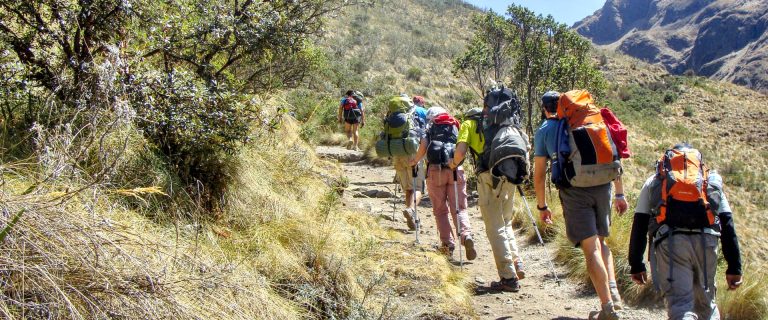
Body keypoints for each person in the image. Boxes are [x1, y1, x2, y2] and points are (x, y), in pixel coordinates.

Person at [533, 91, 627, 319]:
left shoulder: (546, 130)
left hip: (575, 190)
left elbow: (538, 174)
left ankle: (607, 307)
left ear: (545, 109)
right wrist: (620, 194)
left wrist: (542, 207)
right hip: (604, 185)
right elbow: (612, 156)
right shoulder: (591, 120)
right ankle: (614, 293)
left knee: (590, 247)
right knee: (602, 243)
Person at [628, 143, 742, 320]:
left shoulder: (655, 181)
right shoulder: (709, 181)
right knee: (707, 304)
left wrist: (636, 264)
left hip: (672, 243)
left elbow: (640, 222)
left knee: (681, 303)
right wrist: (734, 267)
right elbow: (727, 222)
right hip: (707, 241)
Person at [450, 105, 526, 292]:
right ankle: (516, 262)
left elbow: (460, 152)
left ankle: (508, 278)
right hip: (510, 175)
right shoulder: (506, 123)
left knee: (494, 227)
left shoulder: (468, 124)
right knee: (506, 222)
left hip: (488, 178)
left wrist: (452, 164)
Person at [409, 106, 476, 259]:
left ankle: (448, 244)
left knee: (440, 210)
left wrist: (415, 161)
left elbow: (424, 146)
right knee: (459, 208)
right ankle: (466, 236)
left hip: (435, 171)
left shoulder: (430, 127)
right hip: (455, 169)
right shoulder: (456, 125)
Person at [391, 94, 426, 230]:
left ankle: (412, 217)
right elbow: (425, 135)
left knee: (408, 188)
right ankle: (411, 209)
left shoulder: (394, 114)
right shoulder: (422, 112)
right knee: (418, 188)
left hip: (396, 153)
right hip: (413, 153)